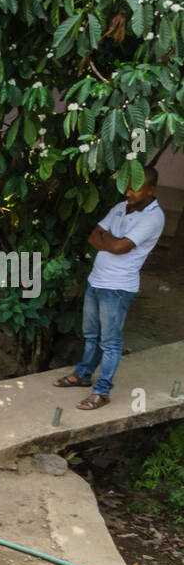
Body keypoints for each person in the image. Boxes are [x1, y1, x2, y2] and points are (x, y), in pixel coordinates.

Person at [53, 168, 165, 411]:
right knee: (91, 335)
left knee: (110, 342)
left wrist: (111, 241)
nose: (128, 192)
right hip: (97, 280)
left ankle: (102, 392)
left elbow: (119, 248)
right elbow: (94, 236)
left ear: (150, 190)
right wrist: (111, 241)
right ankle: (83, 375)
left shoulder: (153, 218)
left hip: (118, 287)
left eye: (135, 188)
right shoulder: (119, 207)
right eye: (127, 186)